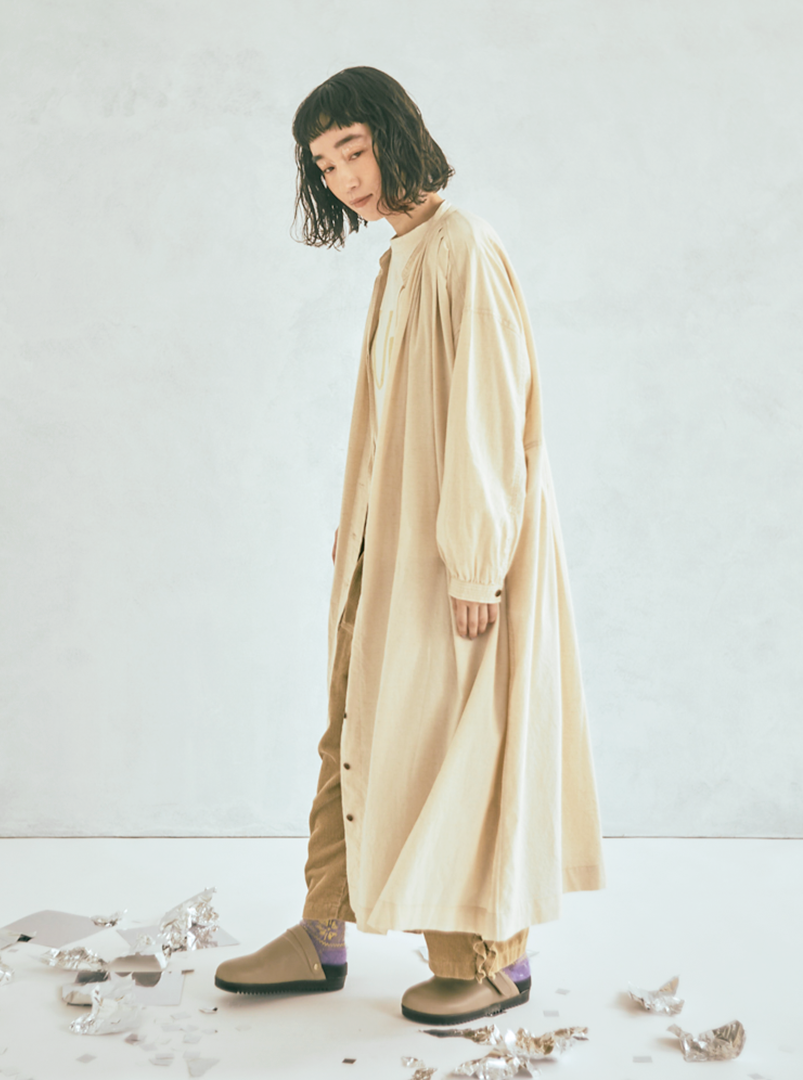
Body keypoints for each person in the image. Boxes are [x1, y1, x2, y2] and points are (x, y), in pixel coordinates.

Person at [215, 66, 605, 1026]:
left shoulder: (461, 246)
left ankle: (493, 959)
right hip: (389, 548)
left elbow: (488, 415)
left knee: (454, 736)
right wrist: (357, 532)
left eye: (353, 149)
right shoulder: (401, 257)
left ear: (394, 134)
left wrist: (475, 563)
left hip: (456, 556)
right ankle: (322, 928)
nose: (345, 176)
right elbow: (392, 424)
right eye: (324, 163)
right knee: (353, 723)